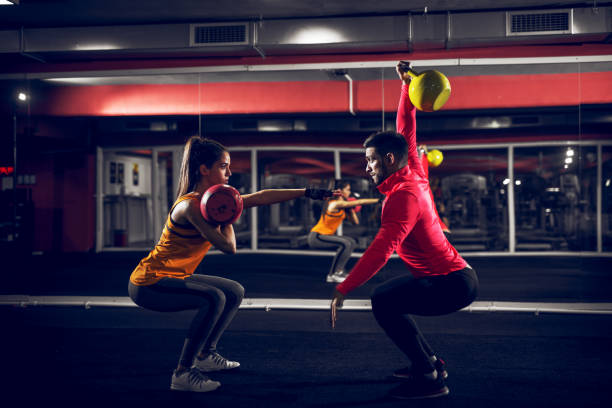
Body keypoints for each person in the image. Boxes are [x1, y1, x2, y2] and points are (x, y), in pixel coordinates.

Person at [128, 136, 334, 393]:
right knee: (214, 298)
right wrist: (230, 215)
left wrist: (308, 193)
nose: (230, 172)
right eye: (224, 166)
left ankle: (205, 355)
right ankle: (182, 372)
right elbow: (228, 247)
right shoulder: (190, 206)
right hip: (149, 283)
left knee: (234, 291)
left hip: (174, 276)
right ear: (204, 169)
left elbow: (260, 196)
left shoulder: (214, 199)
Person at [329, 62, 479, 399]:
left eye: (371, 160)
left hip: (452, 284)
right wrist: (406, 88)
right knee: (390, 297)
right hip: (453, 275)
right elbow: (405, 128)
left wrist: (344, 288)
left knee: (383, 300)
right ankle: (430, 362)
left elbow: (382, 250)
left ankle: (429, 376)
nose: (366, 168)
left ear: (390, 160)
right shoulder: (411, 171)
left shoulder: (403, 196)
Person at [307, 179, 379, 282]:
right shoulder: (334, 204)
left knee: (351, 242)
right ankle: (334, 274)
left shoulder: (344, 206)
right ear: (341, 191)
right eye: (348, 189)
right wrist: (378, 200)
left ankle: (337, 272)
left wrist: (351, 209)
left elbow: (355, 222)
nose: (349, 192)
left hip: (325, 236)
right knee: (345, 243)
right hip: (317, 236)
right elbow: (360, 202)